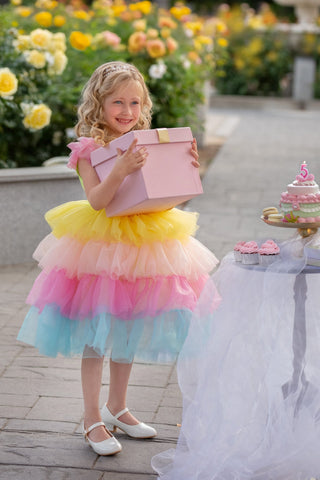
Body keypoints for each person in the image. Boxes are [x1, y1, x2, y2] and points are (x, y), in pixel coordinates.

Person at [17, 61, 220, 457]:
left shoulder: (146, 142)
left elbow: (164, 196)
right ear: (99, 103)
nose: (126, 111)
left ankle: (117, 406)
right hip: (102, 249)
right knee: (97, 336)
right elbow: (97, 200)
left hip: (144, 245)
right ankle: (91, 417)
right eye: (117, 102)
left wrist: (185, 167)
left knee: (127, 327)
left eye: (134, 102)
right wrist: (122, 167)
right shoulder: (89, 150)